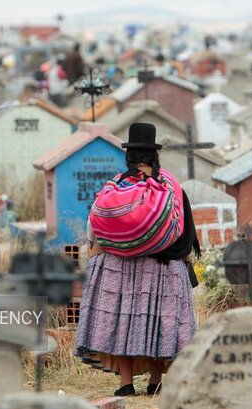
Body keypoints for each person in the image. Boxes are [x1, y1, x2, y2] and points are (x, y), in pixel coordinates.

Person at [75, 123, 199, 397]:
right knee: (160, 322)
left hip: (118, 267)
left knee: (121, 322)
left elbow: (93, 229)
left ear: (128, 156)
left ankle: (125, 384)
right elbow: (185, 230)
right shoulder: (172, 187)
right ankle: (156, 382)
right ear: (155, 156)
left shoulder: (115, 186)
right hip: (162, 267)